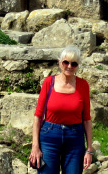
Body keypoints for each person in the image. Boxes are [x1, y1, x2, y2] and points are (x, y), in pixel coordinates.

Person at [29, 45, 94, 173]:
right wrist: (35, 146)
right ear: (59, 63)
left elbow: (86, 119)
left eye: (74, 64)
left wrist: (89, 150)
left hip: (74, 137)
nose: (69, 66)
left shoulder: (83, 85)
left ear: (78, 66)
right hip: (49, 136)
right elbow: (38, 116)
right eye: (66, 62)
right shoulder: (49, 82)